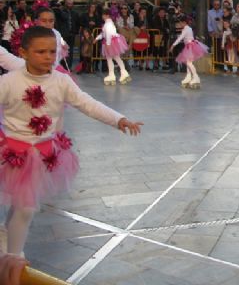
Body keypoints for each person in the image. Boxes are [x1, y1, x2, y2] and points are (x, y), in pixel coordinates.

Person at [0, 26, 142, 257]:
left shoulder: (61, 81)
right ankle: (14, 258)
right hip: (14, 153)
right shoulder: (9, 82)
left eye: (52, 51)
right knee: (25, 207)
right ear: (23, 52)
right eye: (41, 52)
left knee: (22, 204)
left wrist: (118, 119)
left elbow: (87, 103)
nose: (48, 57)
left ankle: (9, 242)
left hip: (42, 153)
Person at [169, 15, 209, 89]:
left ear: (184, 22)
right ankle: (188, 76)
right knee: (188, 62)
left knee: (189, 63)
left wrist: (173, 45)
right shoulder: (189, 28)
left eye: (180, 23)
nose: (179, 24)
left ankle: (196, 77)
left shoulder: (186, 29)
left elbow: (180, 38)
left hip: (190, 46)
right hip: (191, 45)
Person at [95, 9, 130, 85]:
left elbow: (107, 34)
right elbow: (103, 34)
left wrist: (108, 44)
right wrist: (97, 38)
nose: (102, 16)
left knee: (111, 58)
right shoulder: (108, 23)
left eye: (103, 15)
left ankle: (115, 74)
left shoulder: (108, 24)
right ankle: (121, 73)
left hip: (111, 42)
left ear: (107, 15)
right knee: (114, 58)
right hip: (112, 41)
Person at [55, 0, 80, 70]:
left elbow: (77, 23)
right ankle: (63, 66)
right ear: (65, 4)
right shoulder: (60, 11)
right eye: (68, 3)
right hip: (63, 34)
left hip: (72, 34)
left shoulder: (75, 13)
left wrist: (76, 31)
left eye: (71, 4)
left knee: (70, 50)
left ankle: (69, 66)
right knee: (63, 50)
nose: (69, 5)